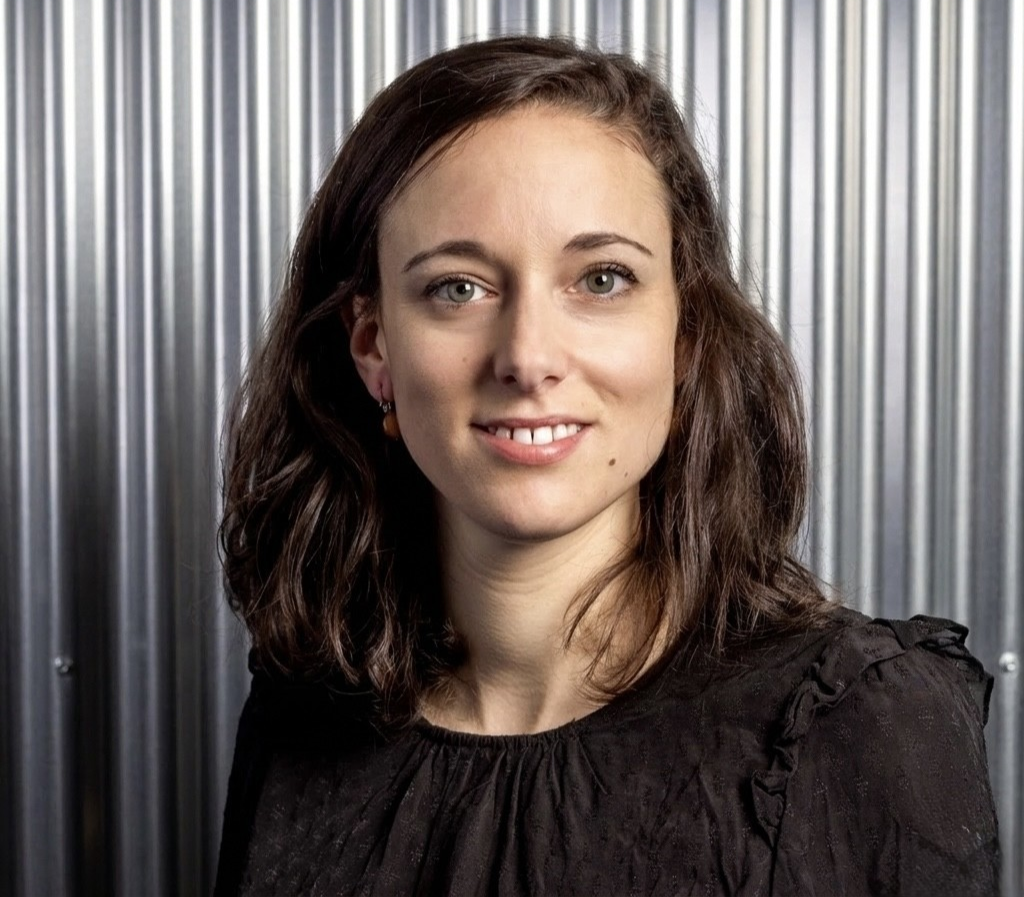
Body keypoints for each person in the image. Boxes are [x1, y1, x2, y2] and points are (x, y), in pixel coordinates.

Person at [214, 35, 999, 897]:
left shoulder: (856, 728)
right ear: (374, 349)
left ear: (684, 333)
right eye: (458, 288)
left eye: (601, 279)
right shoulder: (305, 711)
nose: (528, 357)